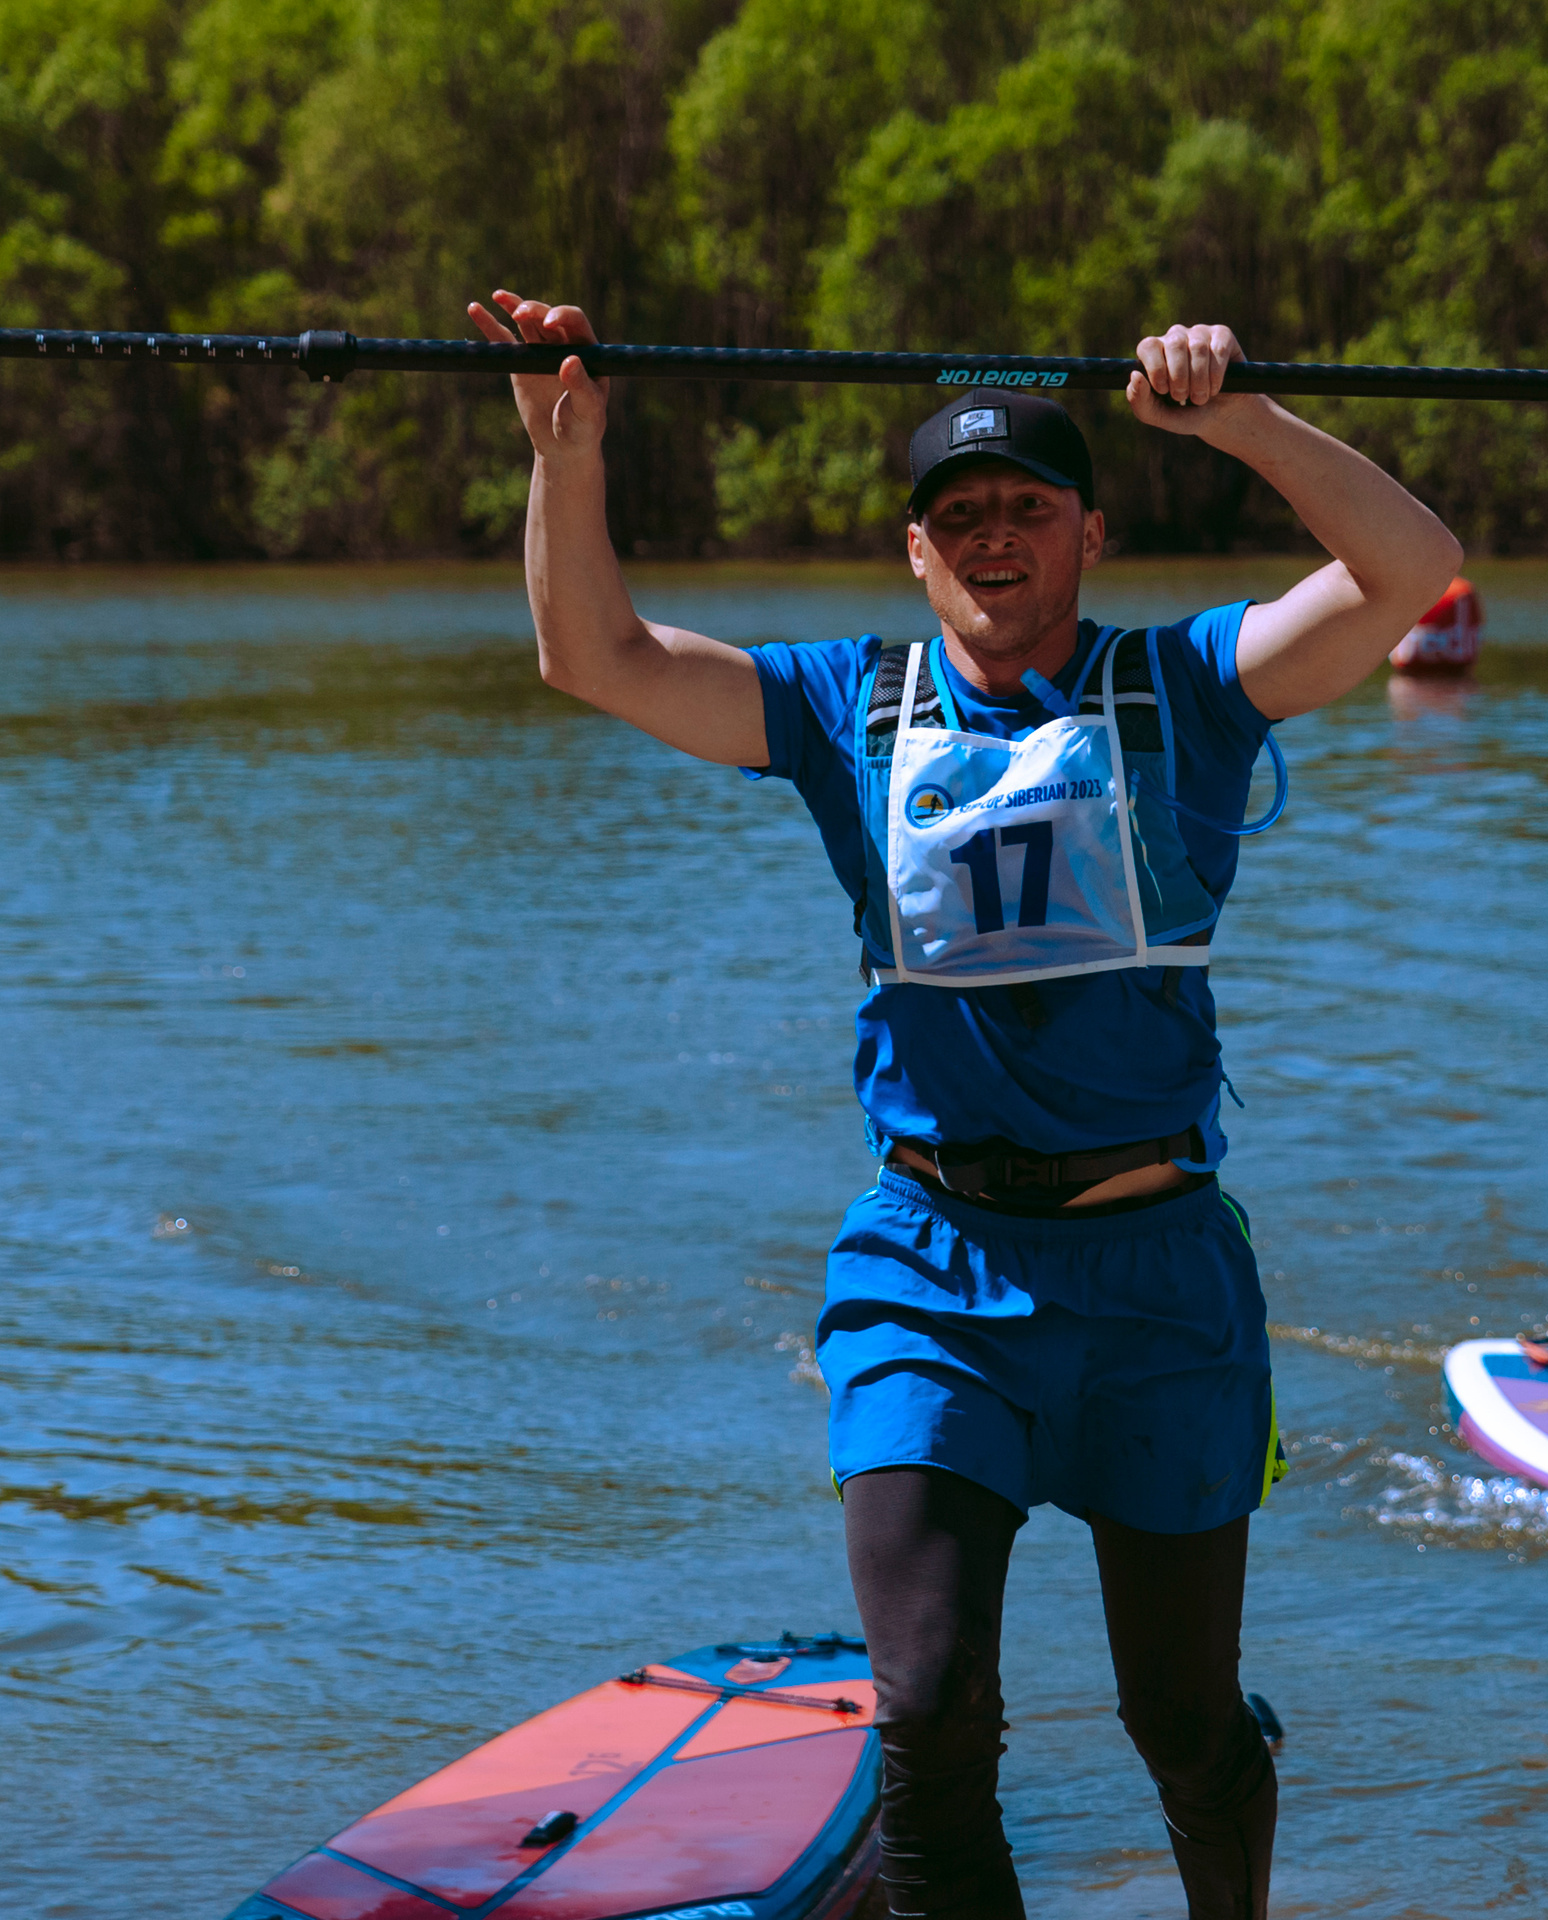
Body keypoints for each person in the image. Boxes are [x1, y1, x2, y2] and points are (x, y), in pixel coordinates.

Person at [466, 289, 1460, 1920]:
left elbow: (1409, 576)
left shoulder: (1191, 690)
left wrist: (1240, 419)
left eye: (1026, 508)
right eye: (957, 515)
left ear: (1087, 531)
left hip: (1160, 1285)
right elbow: (596, 656)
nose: (993, 539)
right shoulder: (846, 707)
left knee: (1182, 1724)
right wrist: (567, 453)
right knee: (927, 1715)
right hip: (930, 1269)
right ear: (916, 552)